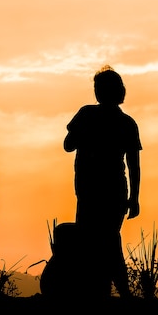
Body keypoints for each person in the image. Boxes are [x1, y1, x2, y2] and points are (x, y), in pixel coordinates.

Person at [63, 65, 141, 300]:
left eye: (101, 88)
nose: (98, 92)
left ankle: (113, 292)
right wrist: (134, 197)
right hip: (103, 190)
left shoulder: (91, 115)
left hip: (99, 190)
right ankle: (108, 292)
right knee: (103, 241)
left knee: (101, 242)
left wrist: (134, 198)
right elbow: (134, 164)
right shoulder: (124, 122)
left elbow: (68, 145)